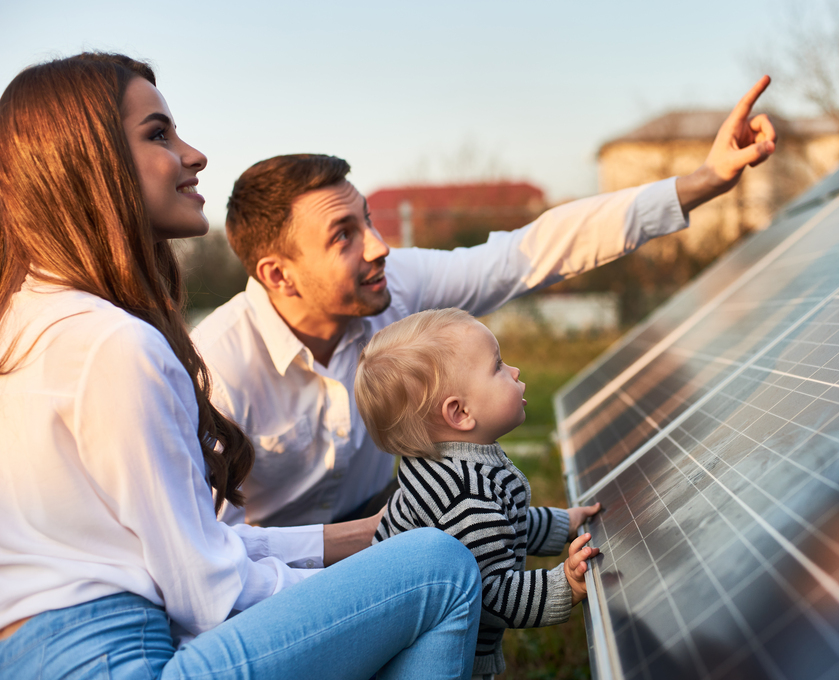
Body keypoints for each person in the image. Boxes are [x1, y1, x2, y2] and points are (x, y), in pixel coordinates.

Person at [0, 52, 482, 679]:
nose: (194, 155)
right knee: (439, 569)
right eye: (158, 134)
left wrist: (373, 537)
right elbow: (209, 593)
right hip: (123, 661)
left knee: (412, 554)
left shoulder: (25, 322)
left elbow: (192, 543)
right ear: (88, 164)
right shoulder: (113, 345)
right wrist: (380, 585)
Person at [192, 77, 777, 529]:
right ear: (279, 275)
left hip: (383, 518)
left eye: (367, 219)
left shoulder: (391, 284)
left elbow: (527, 253)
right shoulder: (217, 369)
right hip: (274, 575)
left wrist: (703, 181)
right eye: (343, 235)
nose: (378, 246)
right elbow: (211, 554)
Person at [354, 307, 603, 678]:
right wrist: (563, 585)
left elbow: (503, 526)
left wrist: (562, 524)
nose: (514, 371)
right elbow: (491, 594)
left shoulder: (446, 466)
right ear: (460, 413)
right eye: (498, 366)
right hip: (440, 660)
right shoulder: (464, 496)